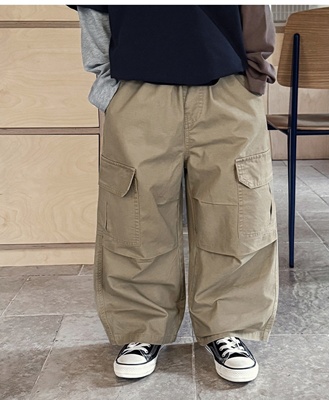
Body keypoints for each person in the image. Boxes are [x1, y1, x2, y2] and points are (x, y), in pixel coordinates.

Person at [69, 5, 278, 383]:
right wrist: (107, 83)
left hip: (227, 85)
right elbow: (95, 8)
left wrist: (254, 71)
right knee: (136, 218)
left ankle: (228, 326)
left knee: (236, 213)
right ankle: (141, 329)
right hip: (138, 89)